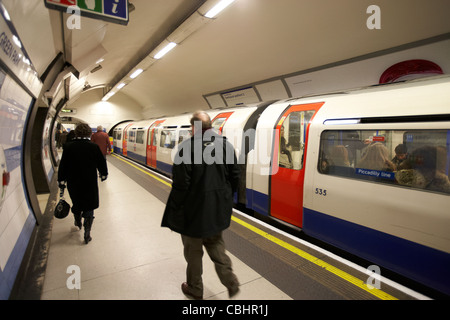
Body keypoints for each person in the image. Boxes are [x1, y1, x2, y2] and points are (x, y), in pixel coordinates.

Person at [161, 111, 241, 300]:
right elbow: (235, 176)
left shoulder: (186, 148)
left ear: (193, 127)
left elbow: (181, 184)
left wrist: (176, 210)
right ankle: (231, 281)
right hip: (216, 210)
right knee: (216, 245)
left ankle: (195, 289)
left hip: (193, 213)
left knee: (193, 251)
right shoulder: (225, 145)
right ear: (210, 126)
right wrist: (226, 199)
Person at [58, 123, 108, 244]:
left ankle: (77, 221)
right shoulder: (93, 147)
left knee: (77, 202)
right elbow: (101, 163)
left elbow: (63, 165)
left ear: (76, 133)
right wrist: (103, 174)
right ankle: (87, 233)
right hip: (89, 181)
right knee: (89, 205)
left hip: (73, 181)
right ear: (89, 133)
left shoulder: (68, 147)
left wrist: (61, 179)